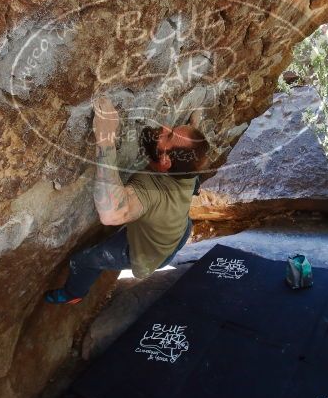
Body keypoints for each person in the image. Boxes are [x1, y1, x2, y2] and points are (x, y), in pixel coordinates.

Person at [44, 95, 209, 304]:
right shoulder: (188, 167)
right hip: (179, 231)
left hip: (147, 254)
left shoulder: (152, 192)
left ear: (166, 161)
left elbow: (111, 214)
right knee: (191, 188)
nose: (166, 127)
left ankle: (73, 294)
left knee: (82, 261)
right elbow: (189, 148)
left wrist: (105, 139)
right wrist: (195, 122)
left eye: (169, 136)